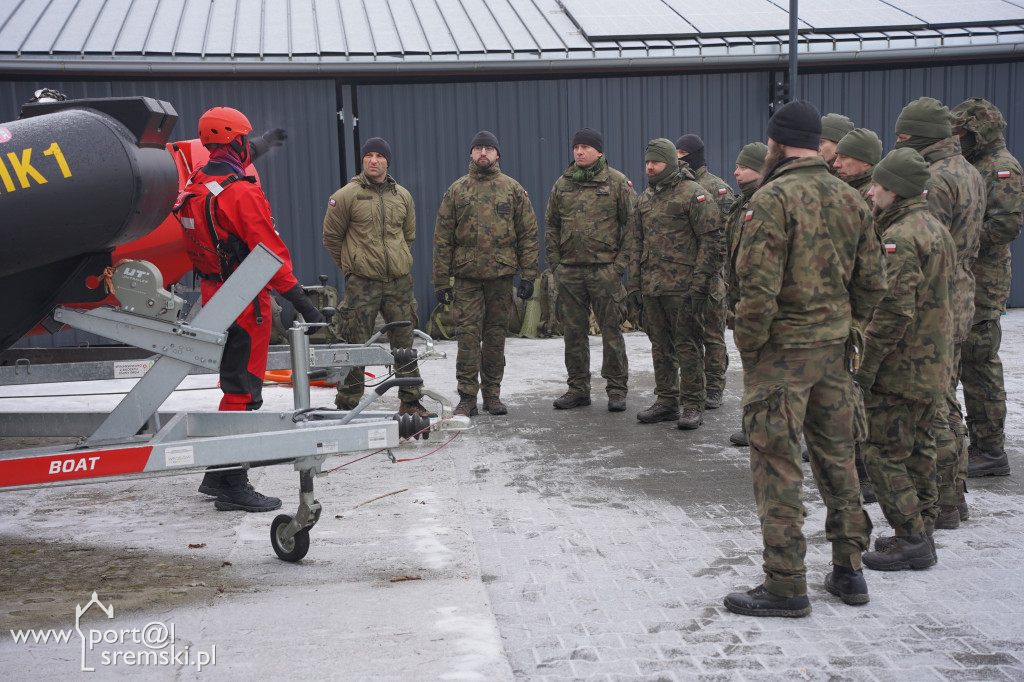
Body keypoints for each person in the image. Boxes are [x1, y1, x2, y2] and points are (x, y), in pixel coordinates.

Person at [724, 100, 886, 617]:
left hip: (783, 355)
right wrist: (847, 327)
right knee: (839, 460)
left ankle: (786, 583)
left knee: (777, 462)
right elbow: (873, 283)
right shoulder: (851, 198)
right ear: (816, 143)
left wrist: (750, 349)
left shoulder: (771, 199)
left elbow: (756, 290)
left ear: (775, 143)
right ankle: (849, 570)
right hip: (834, 354)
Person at [175, 107, 322, 512]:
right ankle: (231, 485)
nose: (248, 144)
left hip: (215, 296)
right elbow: (269, 253)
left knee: (235, 384)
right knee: (242, 392)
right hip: (244, 302)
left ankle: (218, 476)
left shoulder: (198, 182)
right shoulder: (241, 192)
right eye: (246, 139)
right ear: (234, 140)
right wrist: (304, 304)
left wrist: (263, 143)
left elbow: (230, 162)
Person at [855, 148, 955, 571]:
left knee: (881, 452)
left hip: (901, 367)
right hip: (931, 364)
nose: (872, 191)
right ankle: (921, 531)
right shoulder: (933, 226)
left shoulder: (900, 238)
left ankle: (911, 536)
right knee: (919, 449)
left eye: (877, 184)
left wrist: (866, 369)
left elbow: (893, 310)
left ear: (894, 190)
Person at [894, 97, 985, 530]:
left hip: (936, 301)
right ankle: (955, 493)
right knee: (947, 396)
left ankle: (945, 499)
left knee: (936, 403)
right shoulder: (968, 170)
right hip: (962, 292)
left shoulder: (931, 179)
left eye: (903, 135)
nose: (899, 142)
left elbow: (923, 245)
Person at [322, 137, 435, 418]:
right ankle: (348, 404)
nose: (374, 160)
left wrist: (396, 261)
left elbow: (407, 235)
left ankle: (410, 399)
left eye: (379, 156)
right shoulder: (346, 195)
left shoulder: (402, 196)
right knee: (357, 344)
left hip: (398, 282)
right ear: (363, 161)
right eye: (368, 156)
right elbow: (331, 238)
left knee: (404, 344)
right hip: (362, 283)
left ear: (388, 161)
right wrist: (352, 267)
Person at [433, 131, 539, 417]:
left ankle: (492, 394)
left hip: (500, 278)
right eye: (478, 148)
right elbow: (443, 238)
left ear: (497, 154)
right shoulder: (457, 191)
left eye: (488, 149)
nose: (483, 153)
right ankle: (467, 397)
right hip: (467, 278)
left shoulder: (513, 189)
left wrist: (529, 276)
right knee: (467, 337)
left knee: (495, 338)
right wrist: (441, 281)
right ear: (470, 154)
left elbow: (528, 234)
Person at [952, 98, 1023, 480]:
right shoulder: (973, 165)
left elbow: (1003, 228)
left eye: (963, 132)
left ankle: (990, 449)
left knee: (979, 364)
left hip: (984, 279)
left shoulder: (1001, 169)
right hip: (967, 276)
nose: (958, 138)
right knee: (965, 361)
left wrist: (955, 239)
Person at [629, 138, 721, 429]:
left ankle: (693, 403)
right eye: (647, 162)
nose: (650, 167)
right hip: (653, 287)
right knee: (660, 346)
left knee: (687, 345)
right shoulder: (645, 199)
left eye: (655, 162)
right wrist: (634, 287)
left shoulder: (693, 194)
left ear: (669, 162)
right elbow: (635, 244)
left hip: (684, 287)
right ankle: (667, 400)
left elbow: (711, 240)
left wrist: (700, 285)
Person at [546, 128, 636, 412]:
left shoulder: (617, 182)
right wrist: (556, 265)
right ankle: (578, 388)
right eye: (576, 147)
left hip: (604, 271)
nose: (579, 152)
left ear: (599, 151)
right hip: (570, 272)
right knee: (573, 332)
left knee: (611, 331)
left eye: (585, 147)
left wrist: (619, 266)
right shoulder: (563, 184)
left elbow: (633, 226)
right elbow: (551, 225)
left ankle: (617, 389)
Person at [676, 134, 734, 410]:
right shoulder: (674, 186)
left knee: (712, 334)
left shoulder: (717, 188)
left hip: (710, 277)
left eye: (684, 152)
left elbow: (725, 236)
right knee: (686, 336)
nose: (679, 157)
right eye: (675, 151)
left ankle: (714, 386)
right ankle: (692, 384)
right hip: (682, 276)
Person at [724, 142, 768, 448]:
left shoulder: (765, 202)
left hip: (761, 299)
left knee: (766, 368)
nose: (736, 171)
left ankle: (764, 428)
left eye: (744, 167)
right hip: (743, 299)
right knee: (752, 366)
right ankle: (752, 425)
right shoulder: (742, 203)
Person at [832, 128, 883, 202]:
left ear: (865, 160)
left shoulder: (873, 195)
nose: (835, 164)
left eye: (843, 157)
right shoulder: (845, 187)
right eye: (837, 157)